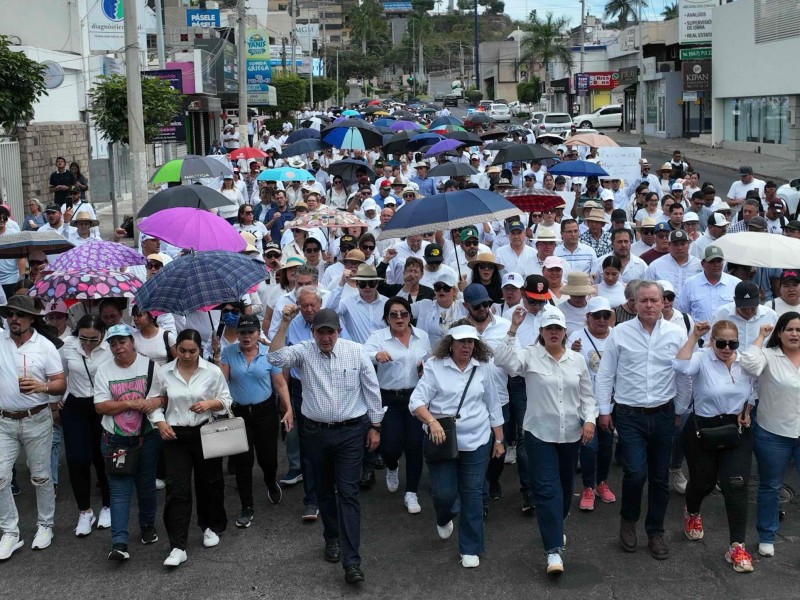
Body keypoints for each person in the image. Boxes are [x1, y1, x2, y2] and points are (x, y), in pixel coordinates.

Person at [268, 308, 383, 585]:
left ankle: (352, 561)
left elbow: (371, 389)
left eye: (331, 331)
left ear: (339, 332)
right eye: (321, 331)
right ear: (313, 332)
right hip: (316, 433)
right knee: (323, 491)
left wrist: (376, 427)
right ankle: (332, 537)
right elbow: (273, 357)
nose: (326, 337)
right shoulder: (304, 351)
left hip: (351, 433)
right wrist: (283, 322)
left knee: (348, 492)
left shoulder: (356, 352)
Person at [496, 306, 596, 574]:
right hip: (539, 434)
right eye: (549, 328)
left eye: (558, 329)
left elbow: (588, 396)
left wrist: (590, 420)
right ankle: (553, 551)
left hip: (570, 434)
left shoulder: (577, 359)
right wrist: (513, 328)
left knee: (564, 490)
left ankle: (557, 523)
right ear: (541, 332)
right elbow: (502, 361)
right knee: (546, 490)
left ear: (565, 332)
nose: (554, 333)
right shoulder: (529, 354)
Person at [595, 280, 691, 560]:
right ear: (634, 303)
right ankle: (628, 520)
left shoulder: (676, 333)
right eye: (643, 301)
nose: (649, 305)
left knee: (660, 477)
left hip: (663, 413)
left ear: (663, 303)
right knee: (636, 473)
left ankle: (655, 531)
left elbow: (682, 373)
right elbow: (605, 374)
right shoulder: (619, 333)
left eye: (654, 300)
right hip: (629, 414)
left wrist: (680, 409)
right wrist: (603, 409)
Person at [409, 322, 504, 569]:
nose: (467, 346)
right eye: (462, 341)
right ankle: (443, 516)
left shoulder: (483, 368)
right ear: (450, 344)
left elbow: (493, 404)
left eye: (471, 342)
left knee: (472, 494)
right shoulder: (434, 367)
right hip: (441, 441)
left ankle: (471, 547)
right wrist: (432, 422)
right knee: (444, 493)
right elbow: (416, 401)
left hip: (477, 440)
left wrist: (499, 439)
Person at [673, 320, 756, 573]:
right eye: (722, 343)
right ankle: (693, 511)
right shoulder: (701, 358)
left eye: (733, 343)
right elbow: (680, 366)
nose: (727, 348)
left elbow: (755, 387)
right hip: (704, 429)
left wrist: (748, 408)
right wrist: (693, 336)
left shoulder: (744, 362)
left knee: (736, 484)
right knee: (704, 482)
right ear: (713, 341)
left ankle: (737, 545)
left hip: (736, 428)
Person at [148, 329, 233, 567]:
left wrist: (209, 403)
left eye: (192, 351)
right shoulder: (164, 372)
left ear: (200, 350)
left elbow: (226, 401)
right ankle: (177, 544)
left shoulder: (212, 371)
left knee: (210, 483)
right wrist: (160, 422)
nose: (186, 355)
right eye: (182, 350)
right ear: (176, 349)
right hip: (175, 435)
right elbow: (154, 401)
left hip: (204, 431)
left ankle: (209, 525)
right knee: (177, 489)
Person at [0, 296, 66, 561]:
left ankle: (45, 525)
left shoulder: (45, 346)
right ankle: (9, 532)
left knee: (40, 476)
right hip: (4, 421)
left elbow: (60, 383)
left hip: (36, 418)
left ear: (32, 319)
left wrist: (41, 387)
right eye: (10, 314)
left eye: (20, 314)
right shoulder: (1, 339)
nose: (14, 319)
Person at [94, 324, 166, 561]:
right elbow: (100, 406)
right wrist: (131, 404)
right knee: (119, 490)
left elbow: (164, 396)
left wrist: (154, 402)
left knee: (146, 484)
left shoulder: (150, 366)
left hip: (146, 436)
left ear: (132, 342)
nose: (118, 347)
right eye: (113, 343)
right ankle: (119, 542)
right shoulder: (104, 371)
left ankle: (147, 526)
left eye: (122, 341)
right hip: (115, 439)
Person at [220, 314, 292, 528]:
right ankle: (246, 506)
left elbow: (280, 384)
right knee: (243, 462)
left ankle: (270, 481)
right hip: (239, 413)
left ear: (258, 333)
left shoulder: (269, 354)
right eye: (242, 333)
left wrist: (288, 409)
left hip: (265, 412)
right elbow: (222, 382)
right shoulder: (228, 352)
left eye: (250, 332)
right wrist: (216, 357)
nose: (246, 337)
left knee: (268, 458)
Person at [740, 315, 800, 559]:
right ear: (780, 332)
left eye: (799, 330)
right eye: (789, 330)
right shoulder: (768, 354)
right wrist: (761, 336)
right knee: (770, 486)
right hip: (773, 433)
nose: (795, 334)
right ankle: (767, 535)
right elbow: (748, 365)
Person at [363, 298, 431, 514]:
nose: (399, 318)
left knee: (414, 445)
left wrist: (424, 367)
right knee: (390, 447)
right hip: (389, 398)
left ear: (410, 316)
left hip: (414, 397)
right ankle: (392, 466)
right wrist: (376, 355)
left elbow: (429, 362)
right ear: (387, 318)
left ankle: (411, 492)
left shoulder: (423, 337)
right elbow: (362, 357)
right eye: (394, 314)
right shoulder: (378, 337)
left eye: (403, 313)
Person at [60, 315, 113, 537]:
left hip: (101, 405)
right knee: (76, 459)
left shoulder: (110, 348)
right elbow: (62, 374)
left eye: (94, 339)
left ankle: (108, 506)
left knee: (103, 458)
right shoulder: (67, 348)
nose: (88, 343)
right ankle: (84, 511)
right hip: (75, 406)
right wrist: (59, 398)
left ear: (102, 335)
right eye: (84, 338)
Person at [567, 297, 617, 512]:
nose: (602, 320)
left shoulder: (617, 335)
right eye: (596, 315)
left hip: (611, 402)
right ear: (587, 317)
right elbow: (567, 365)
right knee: (589, 447)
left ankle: (601, 483)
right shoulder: (577, 337)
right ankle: (588, 486)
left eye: (606, 315)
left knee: (606, 446)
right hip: (585, 402)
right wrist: (573, 352)